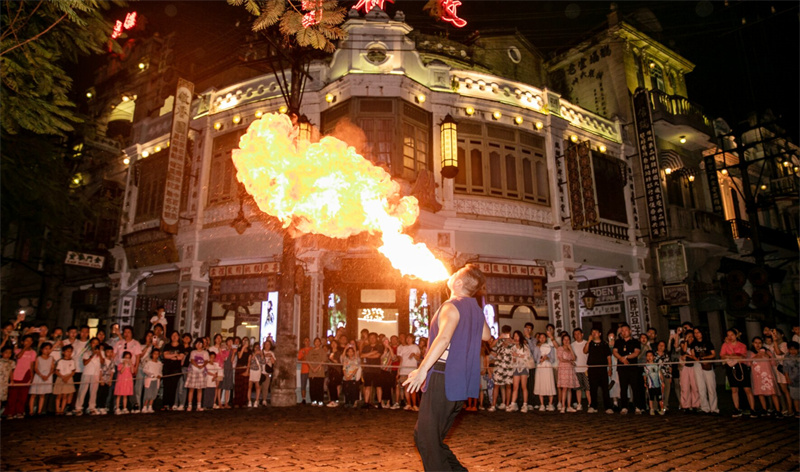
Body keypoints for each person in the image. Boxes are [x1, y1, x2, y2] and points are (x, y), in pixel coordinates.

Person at [404, 264, 490, 472]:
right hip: (460, 384)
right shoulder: (474, 308)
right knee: (431, 439)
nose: (450, 275)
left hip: (443, 378)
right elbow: (486, 335)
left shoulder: (451, 306)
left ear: (459, 283)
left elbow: (443, 339)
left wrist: (422, 369)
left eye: (455, 274)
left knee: (425, 439)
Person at [720, 329, 755, 417]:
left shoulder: (742, 345)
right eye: (728, 335)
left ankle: (752, 409)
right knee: (734, 389)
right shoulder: (725, 345)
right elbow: (722, 355)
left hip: (741, 367)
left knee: (747, 388)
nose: (730, 337)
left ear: (736, 335)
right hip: (731, 367)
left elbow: (743, 355)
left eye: (732, 335)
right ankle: (736, 408)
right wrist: (735, 356)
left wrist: (732, 355)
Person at [613, 323, 645, 414]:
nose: (624, 332)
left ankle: (637, 407)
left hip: (633, 368)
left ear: (630, 331)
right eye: (622, 331)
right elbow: (615, 352)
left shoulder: (635, 341)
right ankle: (624, 407)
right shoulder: (618, 342)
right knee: (623, 388)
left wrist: (626, 357)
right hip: (622, 369)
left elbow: (636, 353)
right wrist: (621, 359)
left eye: (626, 330)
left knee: (635, 387)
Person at [747, 336, 781, 416]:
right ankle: (764, 409)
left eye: (759, 343)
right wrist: (757, 355)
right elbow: (748, 363)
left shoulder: (767, 351)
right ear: (753, 343)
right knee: (760, 393)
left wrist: (766, 354)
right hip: (757, 375)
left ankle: (778, 410)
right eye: (756, 343)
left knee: (773, 392)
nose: (757, 345)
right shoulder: (750, 353)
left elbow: (773, 363)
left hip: (767, 374)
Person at [689, 328, 718, 414]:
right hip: (698, 364)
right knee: (701, 386)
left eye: (698, 332)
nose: (697, 334)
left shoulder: (708, 343)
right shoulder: (693, 344)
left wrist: (705, 358)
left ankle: (714, 408)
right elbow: (693, 354)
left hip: (707, 364)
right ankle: (705, 407)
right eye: (695, 333)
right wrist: (697, 359)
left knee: (711, 386)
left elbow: (713, 354)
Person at [7, 335, 37, 419]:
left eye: (30, 341)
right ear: (22, 342)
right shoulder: (17, 350)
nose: (28, 342)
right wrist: (24, 349)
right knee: (13, 395)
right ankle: (10, 412)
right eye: (26, 340)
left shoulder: (33, 352)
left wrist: (31, 376)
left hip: (26, 375)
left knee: (22, 396)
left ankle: (19, 411)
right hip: (16, 374)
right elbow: (18, 357)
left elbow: (32, 365)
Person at [584, 328, 612, 413]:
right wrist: (588, 341)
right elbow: (585, 351)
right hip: (592, 369)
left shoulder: (604, 344)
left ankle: (608, 407)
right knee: (593, 388)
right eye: (592, 332)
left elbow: (608, 357)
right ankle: (593, 406)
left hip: (602, 369)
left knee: (605, 388)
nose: (594, 333)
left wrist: (610, 368)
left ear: (600, 333)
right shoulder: (590, 343)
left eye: (596, 332)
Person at [488, 326, 513, 412]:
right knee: (496, 385)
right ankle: (493, 405)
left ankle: (507, 405)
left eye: (507, 332)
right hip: (499, 366)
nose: (506, 334)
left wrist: (509, 340)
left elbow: (517, 346)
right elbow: (491, 346)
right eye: (504, 332)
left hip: (509, 366)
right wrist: (499, 338)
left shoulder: (512, 341)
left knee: (508, 386)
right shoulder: (499, 340)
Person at [75, 337, 102, 415]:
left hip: (96, 374)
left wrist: (99, 353)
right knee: (82, 390)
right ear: (90, 344)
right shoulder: (87, 352)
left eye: (97, 343)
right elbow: (85, 363)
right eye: (94, 343)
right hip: (87, 373)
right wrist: (92, 355)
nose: (95, 344)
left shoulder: (101, 352)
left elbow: (103, 362)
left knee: (93, 391)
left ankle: (91, 407)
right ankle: (78, 407)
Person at [507, 330, 532, 413]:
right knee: (515, 387)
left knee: (524, 386)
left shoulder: (524, 346)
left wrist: (517, 355)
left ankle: (525, 404)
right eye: (514, 336)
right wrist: (513, 359)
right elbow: (511, 358)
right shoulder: (513, 347)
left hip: (524, 367)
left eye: (517, 336)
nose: (516, 337)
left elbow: (527, 356)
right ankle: (513, 404)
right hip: (516, 368)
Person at [29, 342, 54, 416]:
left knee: (42, 395)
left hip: (47, 377)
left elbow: (52, 368)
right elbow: (36, 368)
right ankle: (31, 411)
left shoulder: (51, 358)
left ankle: (39, 411)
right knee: (33, 394)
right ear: (42, 349)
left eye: (49, 349)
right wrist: (41, 375)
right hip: (39, 377)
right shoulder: (38, 358)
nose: (47, 350)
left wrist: (48, 375)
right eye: (46, 349)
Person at [360, 332, 384, 409]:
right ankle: (366, 402)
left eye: (373, 337)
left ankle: (380, 402)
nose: (372, 339)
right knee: (367, 386)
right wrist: (372, 353)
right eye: (370, 338)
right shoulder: (366, 347)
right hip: (367, 370)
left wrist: (367, 355)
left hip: (377, 370)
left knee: (378, 386)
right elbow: (361, 355)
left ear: (376, 338)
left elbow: (377, 356)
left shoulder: (379, 346)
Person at [533, 332, 556, 411]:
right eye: (540, 337)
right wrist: (540, 359)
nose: (542, 339)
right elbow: (535, 359)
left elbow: (553, 359)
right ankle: (542, 404)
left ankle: (550, 403)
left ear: (546, 338)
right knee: (541, 384)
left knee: (549, 383)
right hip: (540, 366)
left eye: (544, 337)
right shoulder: (537, 347)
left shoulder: (550, 347)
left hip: (548, 366)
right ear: (539, 338)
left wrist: (547, 358)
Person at [556, 333, 579, 413]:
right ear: (562, 341)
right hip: (563, 369)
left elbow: (574, 358)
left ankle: (569, 406)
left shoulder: (570, 348)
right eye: (565, 339)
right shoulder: (560, 348)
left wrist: (571, 349)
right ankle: (563, 406)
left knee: (569, 388)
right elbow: (561, 359)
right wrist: (570, 361)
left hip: (570, 370)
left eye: (568, 339)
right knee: (564, 388)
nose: (566, 341)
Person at [397, 334, 421, 411]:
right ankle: (408, 404)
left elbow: (418, 358)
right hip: (404, 369)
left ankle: (414, 404)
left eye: (410, 338)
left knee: (412, 388)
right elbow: (400, 360)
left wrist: (414, 355)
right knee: (406, 387)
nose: (408, 339)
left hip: (412, 370)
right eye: (407, 338)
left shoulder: (415, 347)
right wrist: (399, 370)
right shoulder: (403, 348)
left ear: (413, 339)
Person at [678, 331, 700, 412]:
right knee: (685, 386)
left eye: (692, 337)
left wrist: (688, 355)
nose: (691, 338)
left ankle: (695, 405)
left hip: (693, 366)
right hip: (684, 367)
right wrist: (686, 341)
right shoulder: (683, 343)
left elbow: (694, 356)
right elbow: (683, 351)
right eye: (689, 336)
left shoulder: (695, 345)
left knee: (695, 386)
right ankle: (685, 405)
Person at [186, 338, 209, 412]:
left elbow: (206, 360)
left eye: (200, 343)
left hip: (201, 372)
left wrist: (202, 366)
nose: (199, 345)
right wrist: (197, 366)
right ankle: (190, 405)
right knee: (191, 388)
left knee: (200, 389)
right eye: (197, 343)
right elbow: (192, 360)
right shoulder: (193, 352)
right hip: (193, 371)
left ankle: (199, 405)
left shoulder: (205, 352)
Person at [54, 344, 77, 415]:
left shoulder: (72, 361)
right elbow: (56, 371)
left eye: (70, 351)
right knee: (59, 395)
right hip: (61, 377)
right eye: (67, 351)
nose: (69, 353)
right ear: (63, 352)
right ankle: (57, 409)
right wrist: (62, 377)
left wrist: (68, 377)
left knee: (65, 395)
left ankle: (62, 410)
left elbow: (73, 371)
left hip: (69, 378)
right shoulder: (60, 361)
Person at [571, 328, 589, 410]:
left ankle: (590, 403)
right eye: (575, 334)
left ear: (582, 334)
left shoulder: (587, 343)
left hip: (586, 369)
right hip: (576, 370)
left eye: (578, 334)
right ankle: (579, 404)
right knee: (578, 388)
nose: (577, 336)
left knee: (588, 388)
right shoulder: (572, 345)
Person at [306, 338, 327, 407]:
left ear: (320, 343)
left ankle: (320, 400)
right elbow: (308, 360)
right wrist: (312, 368)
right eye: (316, 342)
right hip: (312, 372)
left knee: (319, 387)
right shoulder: (310, 351)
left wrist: (317, 368)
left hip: (320, 372)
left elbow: (323, 361)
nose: (317, 343)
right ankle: (313, 400)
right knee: (312, 387)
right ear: (314, 343)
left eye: (318, 342)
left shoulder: (322, 351)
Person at [142, 348, 162, 413]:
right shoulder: (149, 362)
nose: (156, 355)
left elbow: (160, 372)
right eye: (154, 354)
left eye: (157, 354)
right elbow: (145, 370)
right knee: (148, 393)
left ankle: (150, 406)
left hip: (156, 380)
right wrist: (151, 375)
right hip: (149, 380)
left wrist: (159, 375)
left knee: (154, 393)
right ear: (152, 354)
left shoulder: (159, 363)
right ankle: (145, 407)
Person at [643, 350, 664, 415]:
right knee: (651, 398)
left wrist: (662, 382)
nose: (649, 357)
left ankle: (662, 409)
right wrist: (645, 382)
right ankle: (651, 409)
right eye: (648, 356)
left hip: (658, 385)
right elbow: (645, 375)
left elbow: (660, 374)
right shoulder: (646, 366)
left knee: (660, 398)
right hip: (650, 385)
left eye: (651, 356)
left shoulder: (656, 365)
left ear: (654, 357)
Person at [782, 341, 800, 418]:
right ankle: (797, 411)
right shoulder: (787, 357)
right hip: (793, 378)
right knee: (795, 396)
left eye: (795, 349)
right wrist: (787, 378)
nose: (793, 351)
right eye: (791, 349)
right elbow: (785, 369)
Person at [96, 345, 115, 415]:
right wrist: (101, 379)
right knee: (100, 393)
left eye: (111, 352)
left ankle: (103, 406)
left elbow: (112, 371)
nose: (109, 353)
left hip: (107, 380)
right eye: (108, 352)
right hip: (102, 379)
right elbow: (100, 370)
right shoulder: (103, 360)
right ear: (105, 352)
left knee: (105, 393)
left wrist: (110, 380)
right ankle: (98, 406)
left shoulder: (112, 361)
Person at [327, 340, 343, 407]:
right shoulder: (329, 352)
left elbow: (338, 362)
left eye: (335, 343)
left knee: (333, 384)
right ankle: (333, 400)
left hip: (336, 370)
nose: (333, 345)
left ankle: (334, 400)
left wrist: (332, 359)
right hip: (330, 370)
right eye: (332, 343)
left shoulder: (338, 353)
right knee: (331, 385)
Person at [0, 345, 15, 414]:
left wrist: (12, 380)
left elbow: (11, 372)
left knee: (1, 399)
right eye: (6, 352)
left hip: (5, 382)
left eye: (10, 353)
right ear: (1, 353)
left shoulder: (11, 362)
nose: (8, 354)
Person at [297, 337, 312, 404]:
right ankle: (303, 399)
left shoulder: (312, 349)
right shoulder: (301, 350)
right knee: (303, 385)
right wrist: (304, 356)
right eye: (306, 341)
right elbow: (299, 359)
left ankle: (313, 399)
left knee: (312, 385)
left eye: (308, 341)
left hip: (311, 370)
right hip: (304, 370)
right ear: (303, 342)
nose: (307, 342)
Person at [261, 340, 276, 406]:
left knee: (266, 387)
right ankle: (258, 399)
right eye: (266, 344)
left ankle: (264, 399)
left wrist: (271, 356)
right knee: (259, 387)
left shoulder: (271, 353)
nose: (267, 346)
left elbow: (273, 362)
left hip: (267, 372)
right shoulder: (261, 352)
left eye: (268, 344)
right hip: (260, 371)